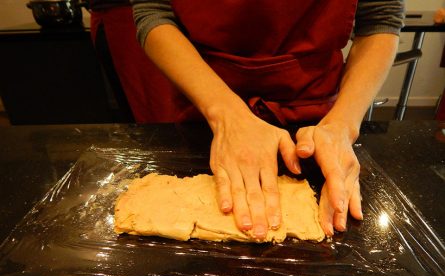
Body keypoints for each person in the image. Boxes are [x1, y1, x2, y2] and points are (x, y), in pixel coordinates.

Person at [129, 0, 404, 240]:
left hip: (318, 122)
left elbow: (381, 17)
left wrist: (342, 127)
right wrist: (226, 115)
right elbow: (155, 11)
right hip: (204, 106)